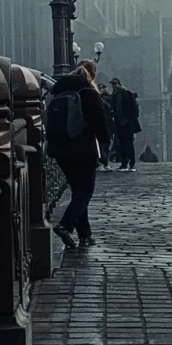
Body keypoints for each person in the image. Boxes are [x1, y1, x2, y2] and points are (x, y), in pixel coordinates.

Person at [45, 56, 111, 250]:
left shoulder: (58, 92)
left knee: (78, 191)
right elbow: (100, 123)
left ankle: (85, 235)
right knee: (85, 191)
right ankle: (65, 225)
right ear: (92, 74)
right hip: (83, 149)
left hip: (60, 150)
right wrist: (105, 143)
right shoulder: (88, 93)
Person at [109, 77, 141, 170]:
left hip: (127, 122)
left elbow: (134, 108)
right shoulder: (114, 95)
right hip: (119, 122)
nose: (114, 86)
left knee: (129, 143)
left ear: (119, 84)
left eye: (115, 84)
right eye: (112, 84)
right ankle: (124, 162)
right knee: (121, 143)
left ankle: (132, 163)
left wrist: (130, 118)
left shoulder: (127, 93)